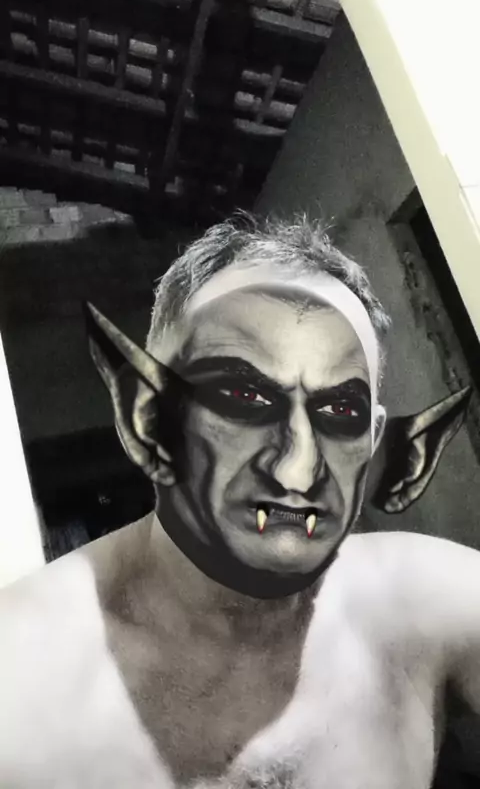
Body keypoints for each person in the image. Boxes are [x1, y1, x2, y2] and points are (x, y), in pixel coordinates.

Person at [0, 213, 478, 789]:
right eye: (243, 396)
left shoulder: (419, 603)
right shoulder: (21, 677)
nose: (297, 468)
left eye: (339, 411)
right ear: (148, 418)